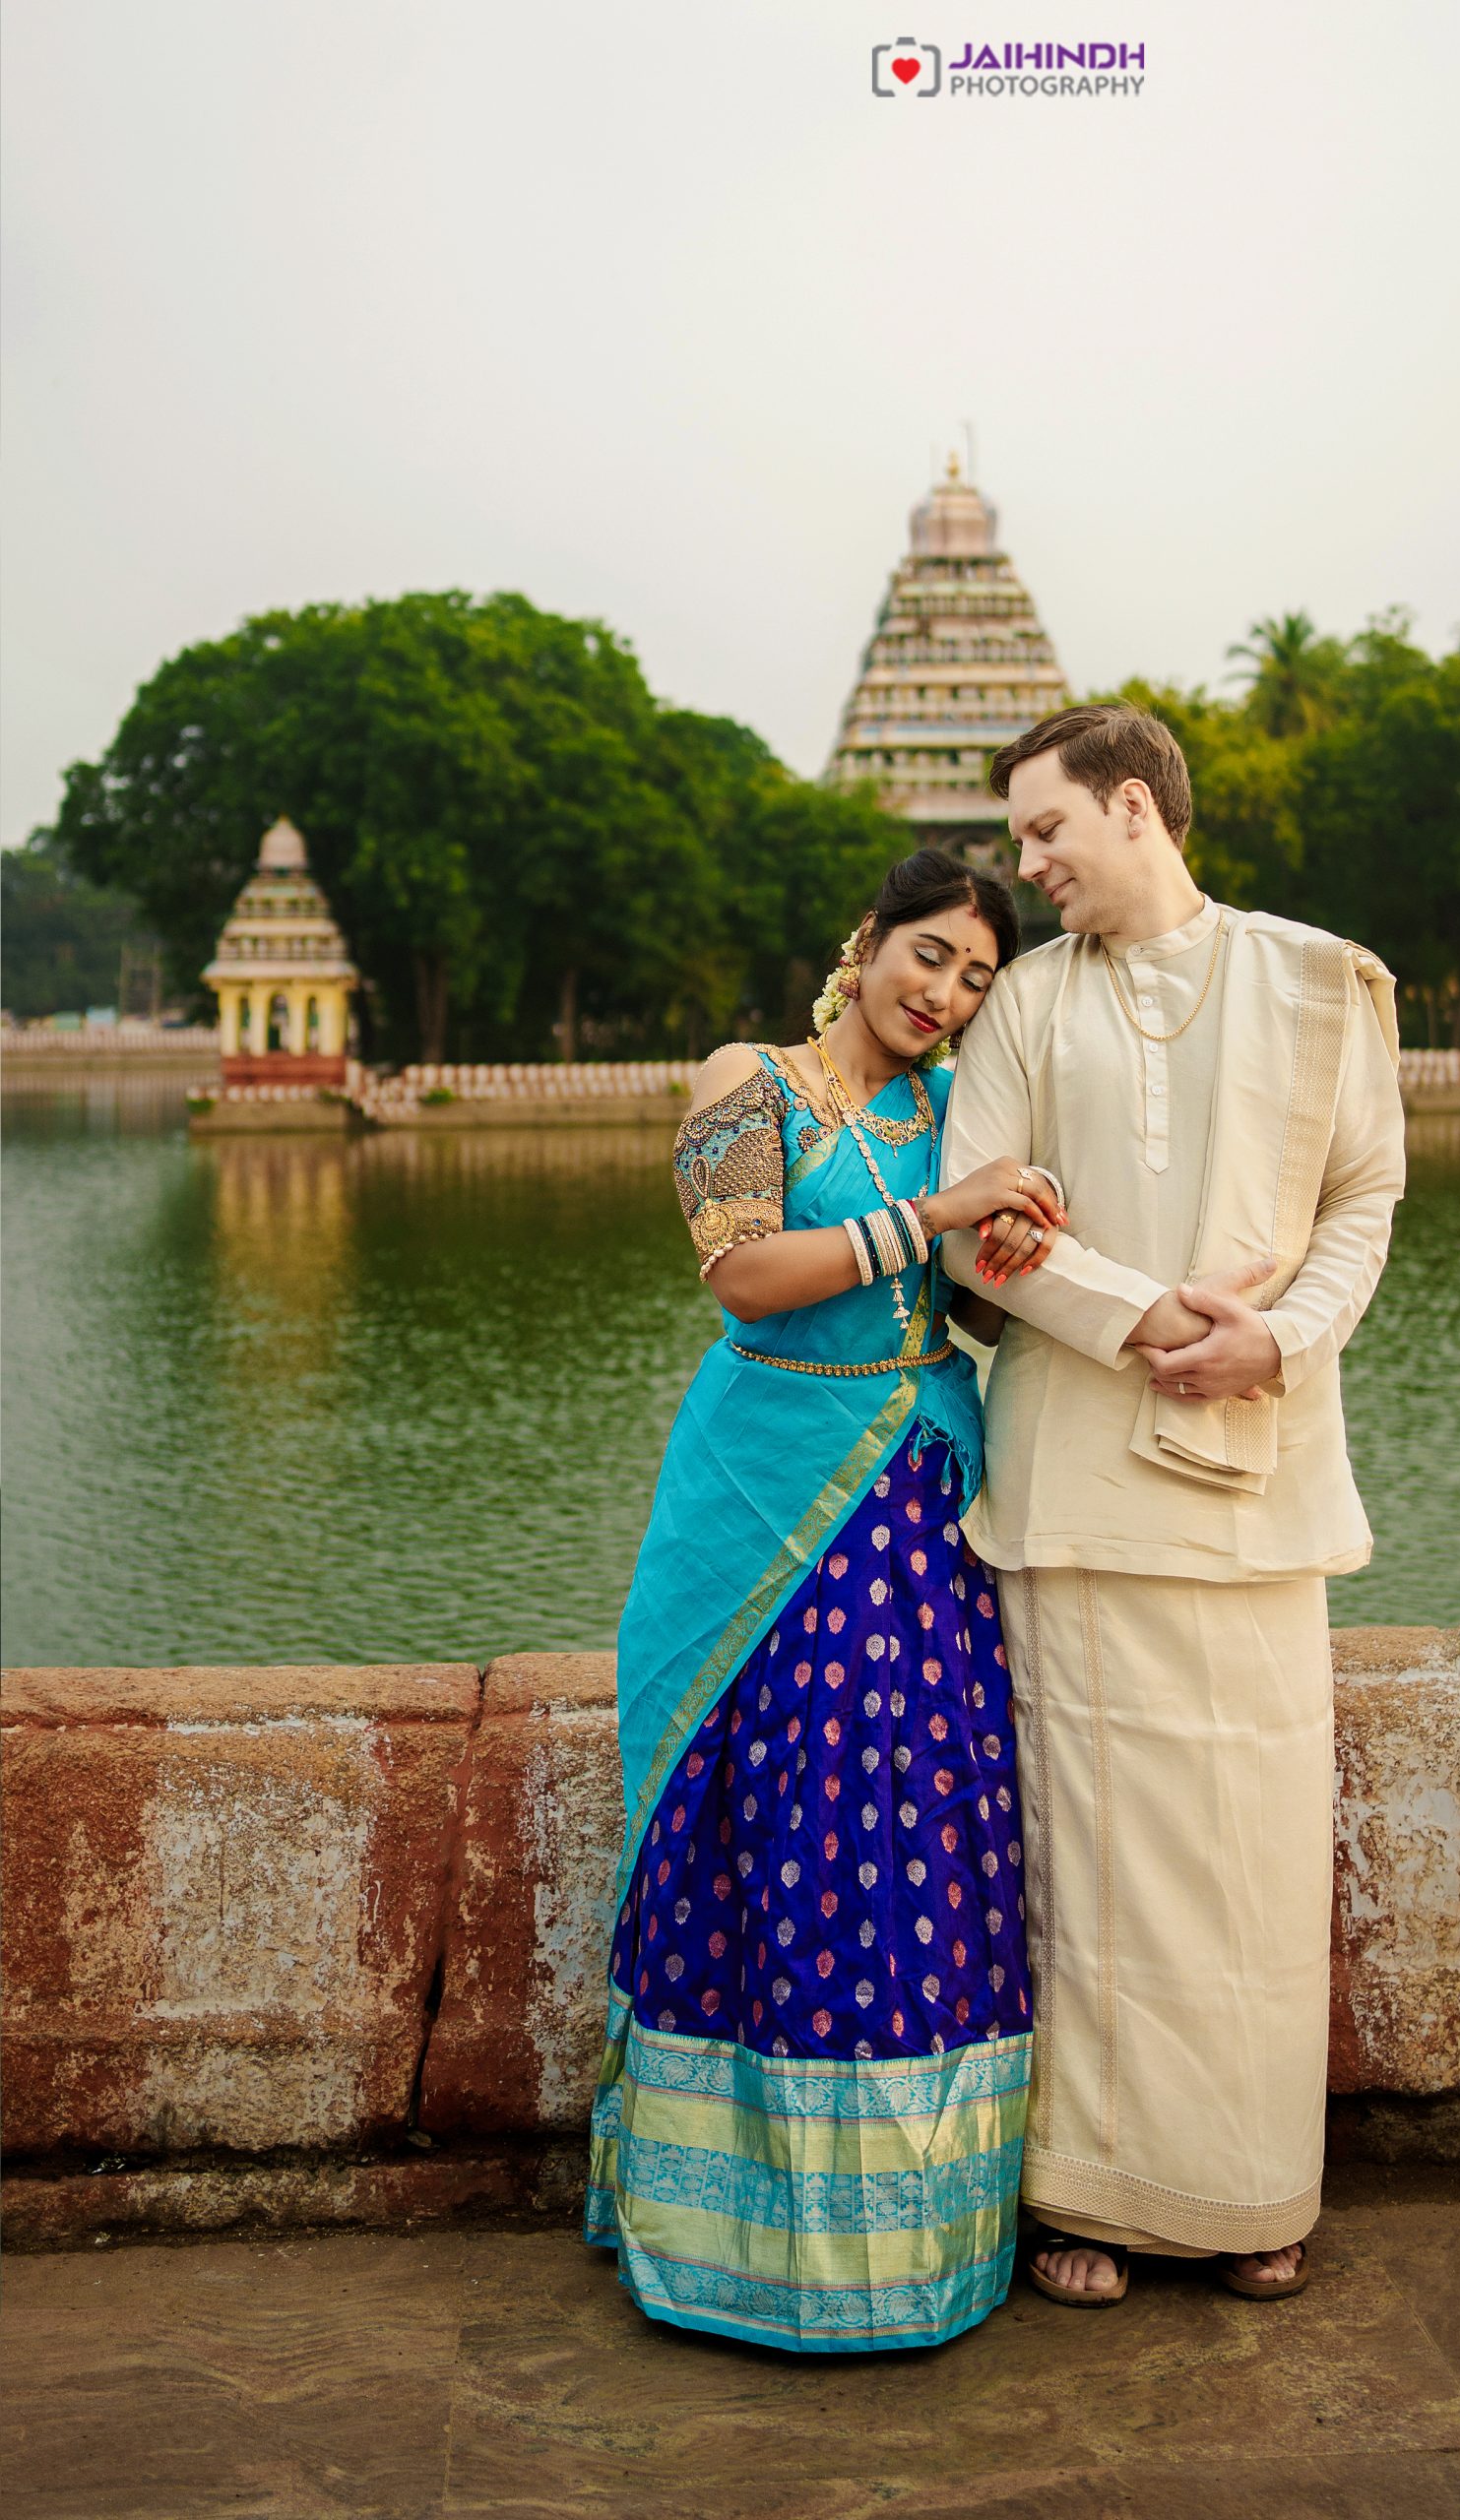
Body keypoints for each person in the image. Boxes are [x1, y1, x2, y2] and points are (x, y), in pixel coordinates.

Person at [936, 704, 1406, 2308]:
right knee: (1094, 1854)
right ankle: (1092, 2201)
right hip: (1072, 1477)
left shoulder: (1319, 982)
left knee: (1253, 1852)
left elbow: (1364, 1196)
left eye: (1045, 831)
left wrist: (1275, 1332)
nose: (1028, 867)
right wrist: (1149, 1320)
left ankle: (1252, 2195)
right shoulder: (1027, 1007)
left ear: (1134, 809)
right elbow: (971, 1222)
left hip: (1261, 1475)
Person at [586, 849, 1069, 2353]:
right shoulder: (755, 1082)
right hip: (759, 1494)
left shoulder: (957, 1115)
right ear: (866, 942)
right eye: (929, 957)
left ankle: (909, 2247)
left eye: (978, 976)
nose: (947, 995)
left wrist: (1009, 1252)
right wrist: (940, 1217)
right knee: (758, 1806)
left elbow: (963, 1307)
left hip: (920, 1497)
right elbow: (739, 1273)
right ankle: (727, 2232)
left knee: (914, 1815)